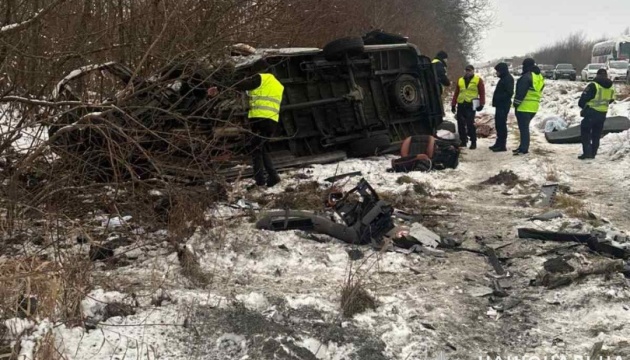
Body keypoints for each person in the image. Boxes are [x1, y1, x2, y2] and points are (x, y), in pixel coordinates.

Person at [208, 72, 285, 187]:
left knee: (256, 149)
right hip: (271, 120)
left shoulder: (262, 78)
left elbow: (241, 84)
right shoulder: (277, 84)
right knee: (261, 148)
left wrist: (218, 87)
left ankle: (260, 181)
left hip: (261, 120)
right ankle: (273, 176)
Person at [577, 68, 615, 160]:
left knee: (585, 131)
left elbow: (582, 100)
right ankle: (593, 153)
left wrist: (584, 107)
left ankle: (587, 152)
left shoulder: (593, 85)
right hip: (603, 113)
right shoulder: (611, 86)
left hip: (591, 112)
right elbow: (612, 99)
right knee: (596, 134)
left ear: (597, 75)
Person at [512, 58, 544, 156]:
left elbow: (521, 93)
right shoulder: (539, 77)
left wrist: (515, 104)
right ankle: (522, 146)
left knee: (523, 129)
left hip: (523, 106)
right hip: (534, 107)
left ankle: (523, 148)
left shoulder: (526, 77)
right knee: (525, 128)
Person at [451, 64, 485, 149]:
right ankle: (463, 141)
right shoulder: (460, 80)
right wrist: (453, 104)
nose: (468, 72)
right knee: (461, 124)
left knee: (470, 124)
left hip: (471, 104)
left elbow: (482, 92)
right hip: (461, 104)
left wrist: (482, 104)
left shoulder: (478, 80)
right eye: (466, 70)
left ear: (473, 71)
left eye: (469, 70)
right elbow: (456, 93)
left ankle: (473, 142)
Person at [489, 62, 514, 152]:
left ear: (502, 70)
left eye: (498, 71)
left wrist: (498, 98)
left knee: (501, 124)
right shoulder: (504, 78)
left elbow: (509, 93)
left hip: (503, 105)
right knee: (498, 124)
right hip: (500, 105)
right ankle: (498, 143)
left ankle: (502, 145)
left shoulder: (508, 79)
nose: (497, 73)